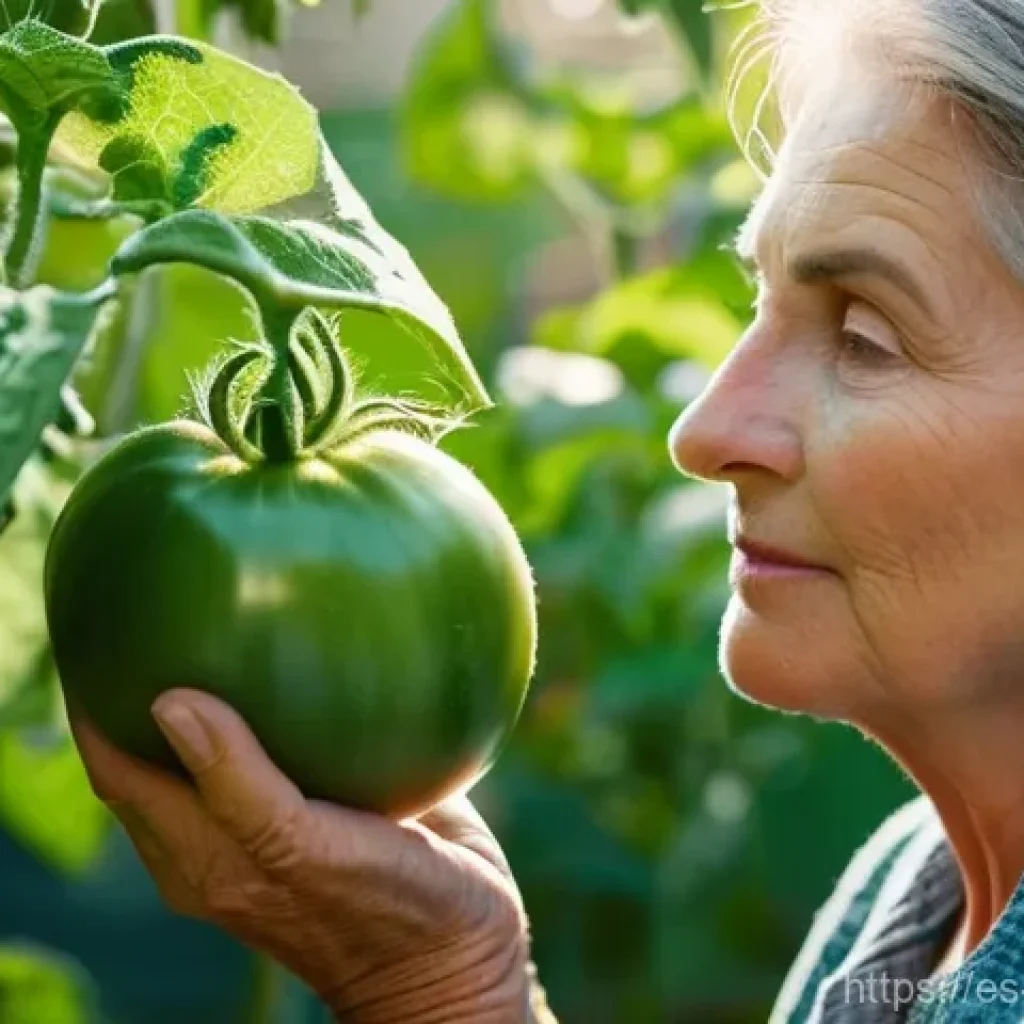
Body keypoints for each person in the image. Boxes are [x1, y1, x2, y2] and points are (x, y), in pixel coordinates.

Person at [65, 0, 1024, 1019]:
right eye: (761, 301)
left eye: (864, 337)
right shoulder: (910, 901)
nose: (703, 432)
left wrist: (432, 988)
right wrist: (446, 983)